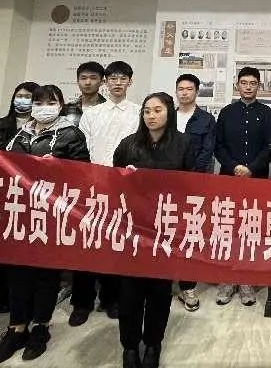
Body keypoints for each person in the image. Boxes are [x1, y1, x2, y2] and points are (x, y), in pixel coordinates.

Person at [0, 85, 89, 364]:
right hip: (19, 212)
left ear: (60, 105)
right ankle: (16, 328)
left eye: (50, 102)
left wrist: (59, 167)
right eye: (39, 102)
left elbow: (83, 173)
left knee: (46, 273)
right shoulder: (19, 134)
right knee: (18, 272)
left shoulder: (71, 134)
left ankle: (41, 326)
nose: (44, 107)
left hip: (51, 213)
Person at [114, 92, 194, 368]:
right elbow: (113, 181)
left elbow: (193, 184)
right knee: (130, 293)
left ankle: (152, 343)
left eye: (157, 110)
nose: (151, 115)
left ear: (169, 112)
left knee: (159, 292)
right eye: (147, 111)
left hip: (166, 229)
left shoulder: (183, 144)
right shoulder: (129, 144)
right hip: (133, 229)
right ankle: (129, 346)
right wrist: (126, 178)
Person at [70, 61, 140, 326]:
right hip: (92, 186)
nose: (117, 83)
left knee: (116, 243)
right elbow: (82, 149)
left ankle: (112, 299)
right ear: (105, 82)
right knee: (86, 243)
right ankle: (82, 302)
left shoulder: (138, 112)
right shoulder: (92, 114)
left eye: (123, 78)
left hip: (124, 188)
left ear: (130, 82)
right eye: (113, 78)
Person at [214, 67, 271, 306]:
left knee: (251, 229)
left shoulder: (266, 113)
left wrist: (251, 168)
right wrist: (234, 167)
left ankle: (247, 281)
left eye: (253, 83)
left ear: (258, 86)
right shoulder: (226, 113)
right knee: (228, 228)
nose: (248, 87)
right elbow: (218, 146)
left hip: (256, 179)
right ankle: (228, 280)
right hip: (229, 179)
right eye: (244, 82)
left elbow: (270, 147)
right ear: (237, 85)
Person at [0, 81, 40, 316]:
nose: (23, 100)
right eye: (20, 95)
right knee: (3, 245)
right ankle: (2, 292)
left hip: (31, 193)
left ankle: (26, 295)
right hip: (3, 190)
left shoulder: (42, 126)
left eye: (29, 97)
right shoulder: (1, 125)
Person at [173, 73, 217, 312]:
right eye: (181, 88)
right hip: (166, 185)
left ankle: (187, 286)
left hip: (193, 186)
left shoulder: (206, 120)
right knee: (164, 232)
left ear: (197, 92)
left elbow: (207, 152)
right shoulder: (166, 115)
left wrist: (189, 177)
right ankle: (160, 283)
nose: (184, 92)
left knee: (189, 235)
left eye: (189, 89)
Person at [60, 61, 106, 128]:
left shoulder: (110, 109)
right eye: (83, 78)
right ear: (77, 81)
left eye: (93, 78)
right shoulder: (66, 109)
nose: (87, 83)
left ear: (102, 82)